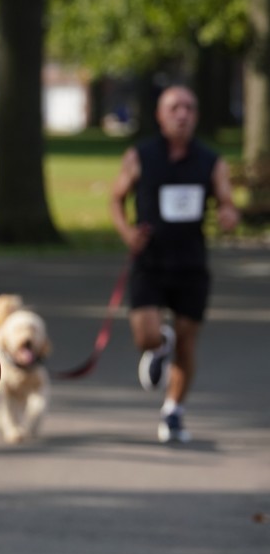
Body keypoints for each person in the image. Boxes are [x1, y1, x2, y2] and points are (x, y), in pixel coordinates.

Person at [109, 84, 239, 444]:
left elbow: (227, 201)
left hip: (191, 264)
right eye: (174, 108)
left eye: (189, 108)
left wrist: (228, 214)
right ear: (160, 115)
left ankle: (173, 411)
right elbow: (116, 199)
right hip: (149, 261)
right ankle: (158, 345)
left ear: (196, 115)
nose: (182, 114)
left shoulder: (211, 161)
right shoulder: (140, 156)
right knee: (146, 336)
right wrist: (128, 233)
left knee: (187, 341)